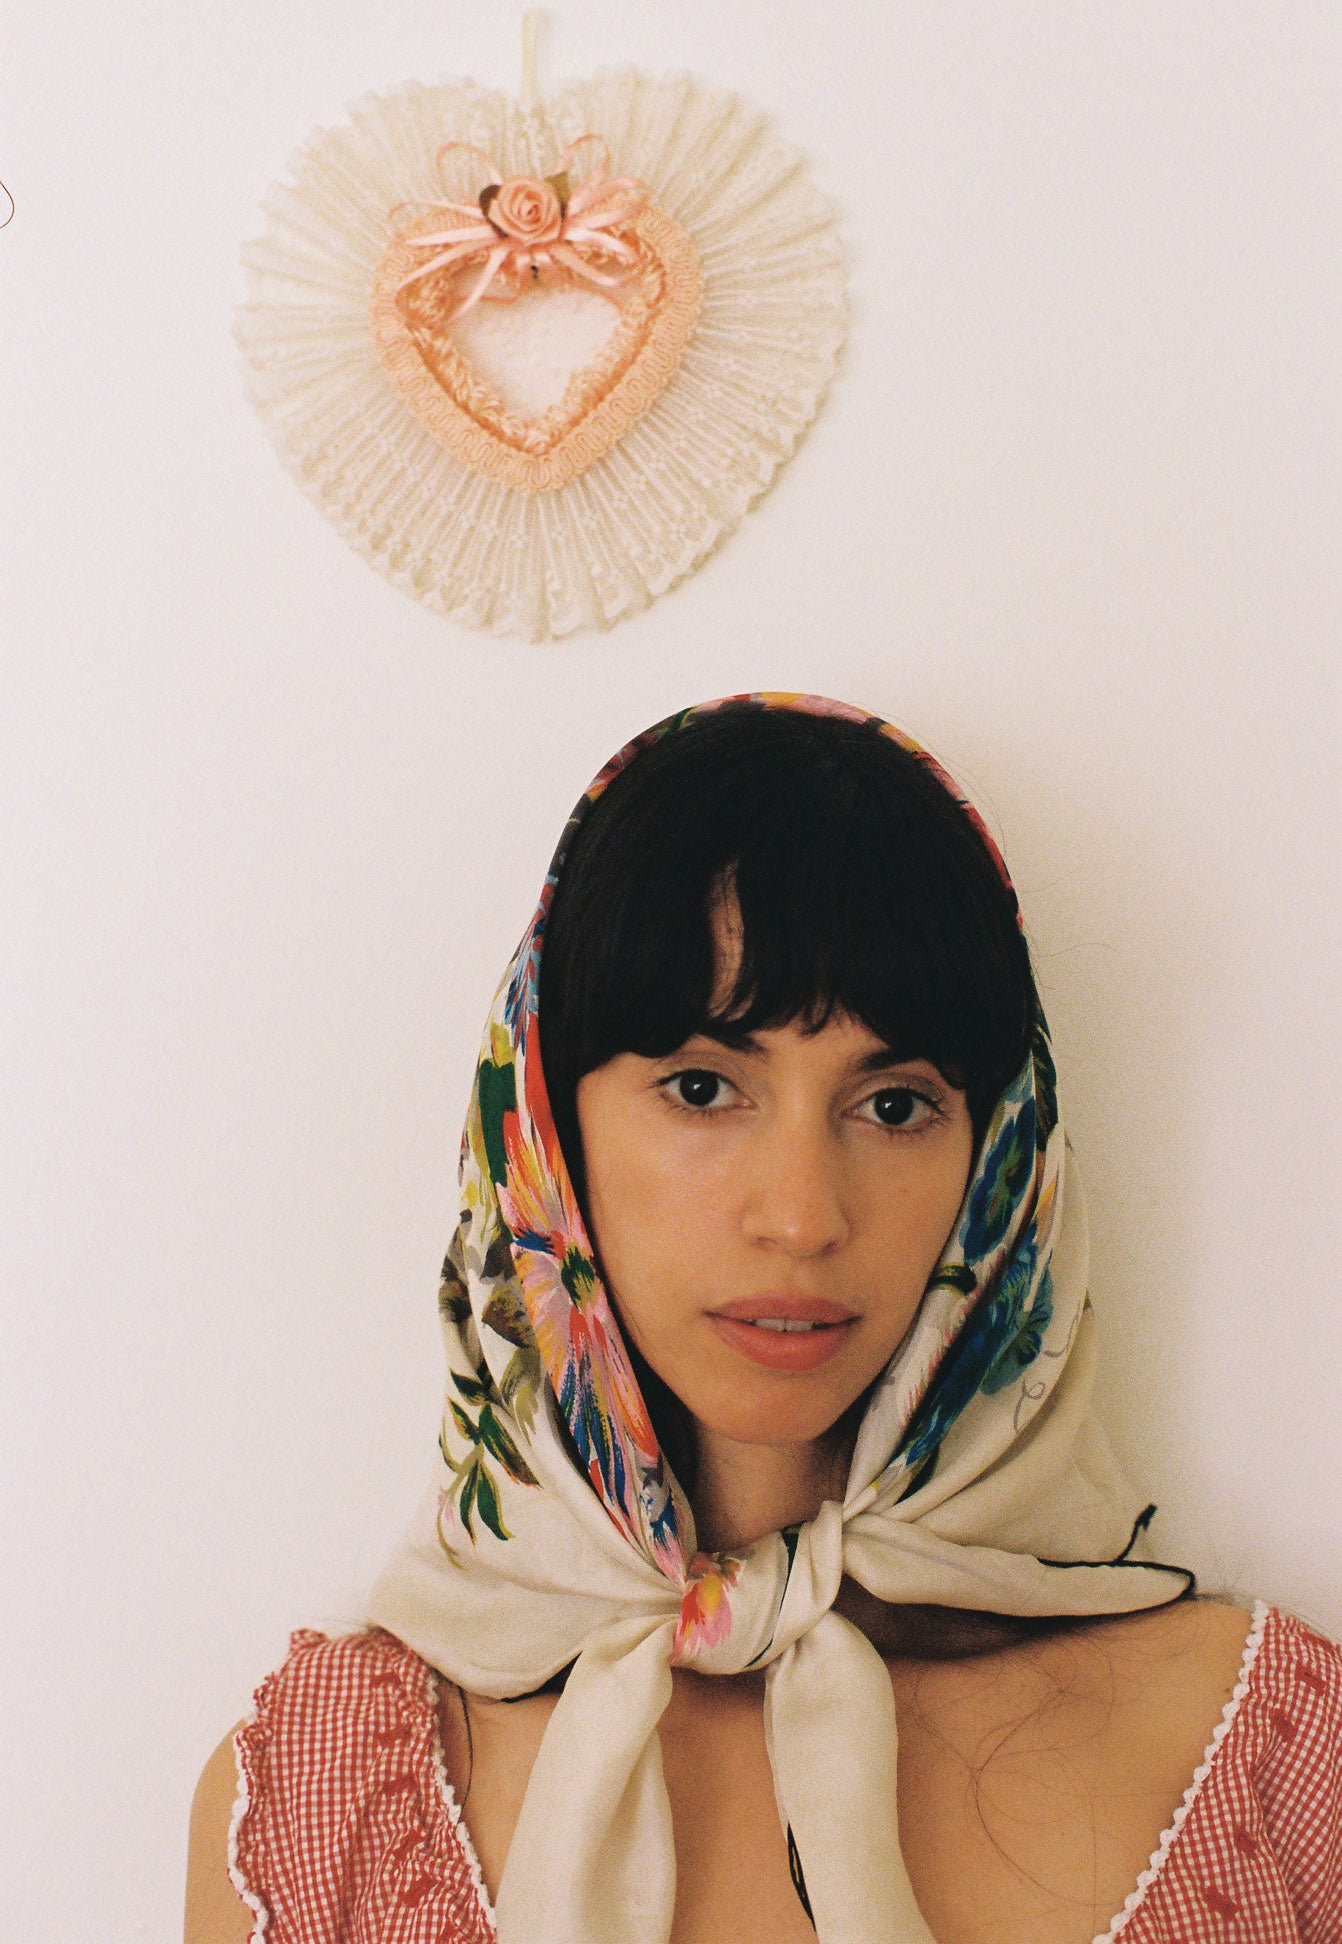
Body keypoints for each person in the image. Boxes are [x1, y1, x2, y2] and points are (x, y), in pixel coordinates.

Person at [185, 693, 1341, 1944]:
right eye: (701, 1086)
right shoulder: (322, 1804)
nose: (800, 1216)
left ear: (1003, 1163)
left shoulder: (1279, 1766)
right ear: (545, 1139)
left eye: (894, 1104)